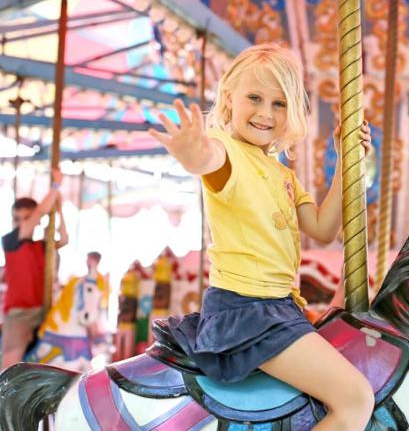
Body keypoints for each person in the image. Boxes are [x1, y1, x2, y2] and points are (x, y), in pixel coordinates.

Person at [148, 43, 374, 431]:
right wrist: (192, 155)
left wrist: (344, 161)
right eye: (254, 97)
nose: (265, 113)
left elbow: (323, 228)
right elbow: (208, 160)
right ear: (229, 98)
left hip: (280, 308)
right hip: (246, 312)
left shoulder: (283, 175)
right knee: (354, 399)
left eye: (279, 103)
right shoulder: (228, 153)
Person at [0, 167, 68, 370]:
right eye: (17, 219)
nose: (22, 223)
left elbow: (63, 238)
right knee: (11, 366)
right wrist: (55, 187)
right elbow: (38, 214)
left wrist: (59, 208)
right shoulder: (11, 241)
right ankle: (3, 394)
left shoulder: (42, 246)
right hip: (19, 313)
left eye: (26, 218)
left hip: (44, 309)